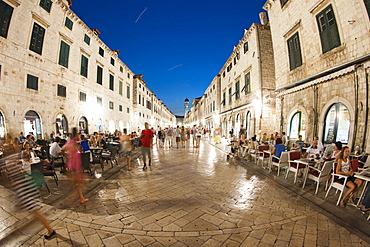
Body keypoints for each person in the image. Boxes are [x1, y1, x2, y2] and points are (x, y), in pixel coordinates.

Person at [4, 159, 55, 239]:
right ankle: (15, 228)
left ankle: (50, 230)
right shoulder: (16, 163)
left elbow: (23, 180)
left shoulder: (14, 164)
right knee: (31, 212)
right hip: (25, 193)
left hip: (27, 194)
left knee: (37, 213)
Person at [63, 127, 88, 204]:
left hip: (73, 163)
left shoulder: (70, 143)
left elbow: (63, 148)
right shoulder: (73, 143)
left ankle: (81, 198)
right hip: (75, 164)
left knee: (78, 183)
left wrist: (67, 155)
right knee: (78, 183)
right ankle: (75, 198)